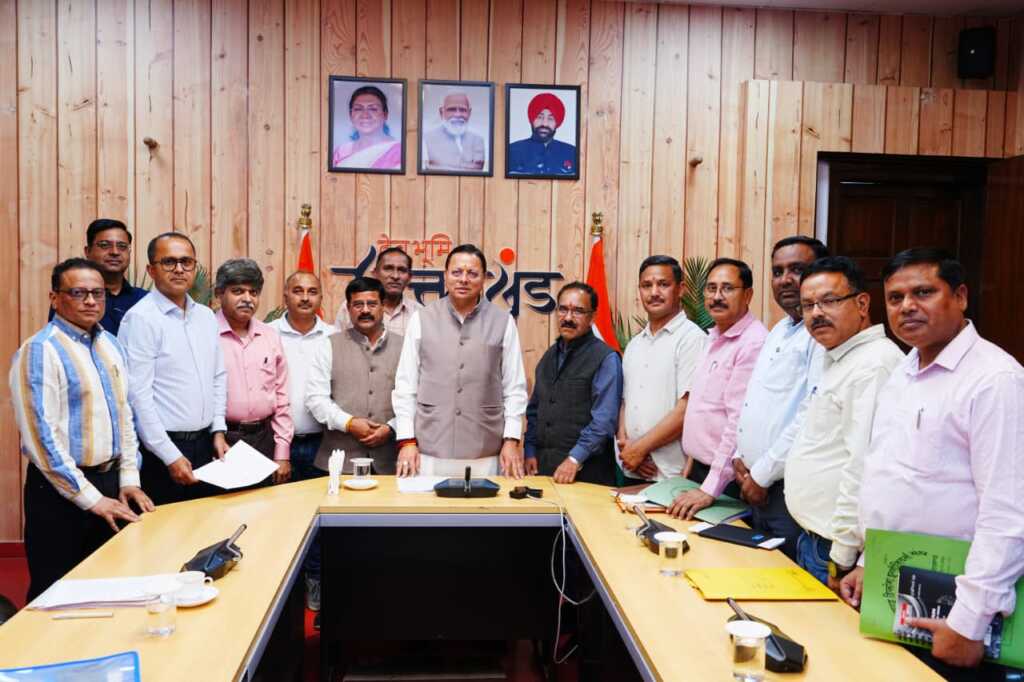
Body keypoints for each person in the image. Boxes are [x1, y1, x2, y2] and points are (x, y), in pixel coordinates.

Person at [840, 249, 1024, 680]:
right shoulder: (904, 371)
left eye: (923, 292)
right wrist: (868, 562)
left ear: (960, 297)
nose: (906, 306)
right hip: (897, 589)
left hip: (958, 608)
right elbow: (890, 478)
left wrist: (969, 621)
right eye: (895, 297)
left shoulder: (996, 381)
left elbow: (1008, 512)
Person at [11, 258, 153, 600]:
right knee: (57, 595)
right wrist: (92, 500)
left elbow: (125, 416)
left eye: (97, 293)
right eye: (78, 293)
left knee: (113, 587)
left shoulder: (111, 345)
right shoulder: (40, 350)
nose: (91, 301)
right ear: (55, 297)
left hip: (111, 485)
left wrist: (129, 479)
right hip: (60, 492)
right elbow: (41, 440)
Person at [783, 256, 903, 586]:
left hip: (836, 552)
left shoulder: (874, 364)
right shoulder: (840, 356)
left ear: (862, 303)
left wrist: (842, 556)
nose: (816, 313)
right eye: (808, 305)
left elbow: (862, 465)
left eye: (829, 301)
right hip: (816, 540)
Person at [392, 244, 528, 478]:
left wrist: (511, 439)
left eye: (472, 273)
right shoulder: (421, 319)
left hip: (485, 447)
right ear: (445, 276)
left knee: (486, 502)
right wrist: (407, 440)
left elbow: (514, 387)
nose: (464, 279)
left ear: (484, 279)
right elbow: (406, 386)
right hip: (430, 447)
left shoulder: (503, 322)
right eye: (457, 272)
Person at [731, 237, 828, 561]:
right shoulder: (778, 331)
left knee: (783, 579)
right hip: (753, 484)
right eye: (777, 271)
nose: (785, 279)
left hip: (784, 491)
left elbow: (809, 416)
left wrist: (761, 474)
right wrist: (739, 456)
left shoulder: (820, 337)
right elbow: (754, 401)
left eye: (796, 269)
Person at [118, 233, 228, 505]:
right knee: (168, 529)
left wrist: (218, 429)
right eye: (169, 262)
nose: (179, 269)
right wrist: (170, 455)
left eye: (186, 262)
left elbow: (217, 376)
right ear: (151, 270)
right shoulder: (140, 319)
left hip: (206, 445)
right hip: (162, 450)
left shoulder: (205, 316)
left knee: (206, 523)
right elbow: (137, 397)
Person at [668, 258, 767, 519]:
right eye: (711, 288)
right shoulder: (713, 336)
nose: (717, 296)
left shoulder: (753, 343)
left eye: (727, 288)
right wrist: (692, 461)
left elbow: (738, 422)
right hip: (701, 471)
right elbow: (705, 410)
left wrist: (709, 488)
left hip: (726, 480)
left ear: (748, 295)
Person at [619, 256, 708, 481]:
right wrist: (627, 448)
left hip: (671, 476)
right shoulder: (634, 344)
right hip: (633, 468)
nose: (654, 292)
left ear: (681, 289)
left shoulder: (692, 339)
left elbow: (687, 409)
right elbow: (624, 403)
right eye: (646, 285)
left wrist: (639, 449)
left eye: (663, 284)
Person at [524, 282, 623, 485]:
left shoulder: (605, 358)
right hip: (544, 471)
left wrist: (575, 458)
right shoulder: (549, 356)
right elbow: (535, 410)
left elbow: (604, 421)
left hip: (588, 475)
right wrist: (530, 450)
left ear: (592, 317)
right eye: (563, 309)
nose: (568, 318)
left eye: (578, 311)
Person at [308, 277, 400, 474]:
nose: (365, 310)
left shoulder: (405, 346)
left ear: (383, 306)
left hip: (392, 463)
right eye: (358, 305)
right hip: (339, 464)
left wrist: (391, 428)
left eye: (372, 304)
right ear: (348, 308)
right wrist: (349, 423)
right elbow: (316, 399)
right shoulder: (328, 345)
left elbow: (415, 399)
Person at [215, 259, 293, 484]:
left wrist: (282, 452)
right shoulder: (205, 333)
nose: (247, 299)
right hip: (222, 439)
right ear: (219, 293)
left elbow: (282, 396)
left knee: (266, 503)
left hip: (264, 438)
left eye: (254, 292)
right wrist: (215, 434)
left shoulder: (269, 336)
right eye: (238, 291)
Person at [269, 271, 335, 483]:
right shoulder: (267, 334)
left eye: (312, 292)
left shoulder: (334, 336)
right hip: (275, 444)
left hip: (324, 443)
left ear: (321, 298)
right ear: (285, 296)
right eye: (298, 291)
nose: (305, 298)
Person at [47, 219, 148, 335]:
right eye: (104, 245)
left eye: (122, 246)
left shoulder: (144, 300)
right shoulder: (72, 296)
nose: (115, 252)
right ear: (88, 251)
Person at [335, 246, 422, 336]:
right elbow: (338, 342)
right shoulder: (350, 308)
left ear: (409, 278)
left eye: (402, 270)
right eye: (388, 268)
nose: (395, 276)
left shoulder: (419, 313)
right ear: (375, 273)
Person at [332, 85, 402, 170]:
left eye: (373, 109)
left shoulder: (398, 151)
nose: (365, 115)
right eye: (358, 109)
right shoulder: (340, 152)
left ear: (385, 114)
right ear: (351, 115)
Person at [507, 92, 577, 176]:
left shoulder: (572, 153)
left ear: (557, 122)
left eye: (550, 118)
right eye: (539, 117)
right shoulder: (512, 151)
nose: (544, 124)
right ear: (532, 119)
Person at [422, 92, 486, 172]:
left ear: (469, 113)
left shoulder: (478, 140)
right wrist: (466, 166)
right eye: (451, 109)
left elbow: (477, 169)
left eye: (462, 110)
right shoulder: (428, 137)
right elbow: (426, 167)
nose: (457, 115)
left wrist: (437, 166)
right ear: (441, 112)